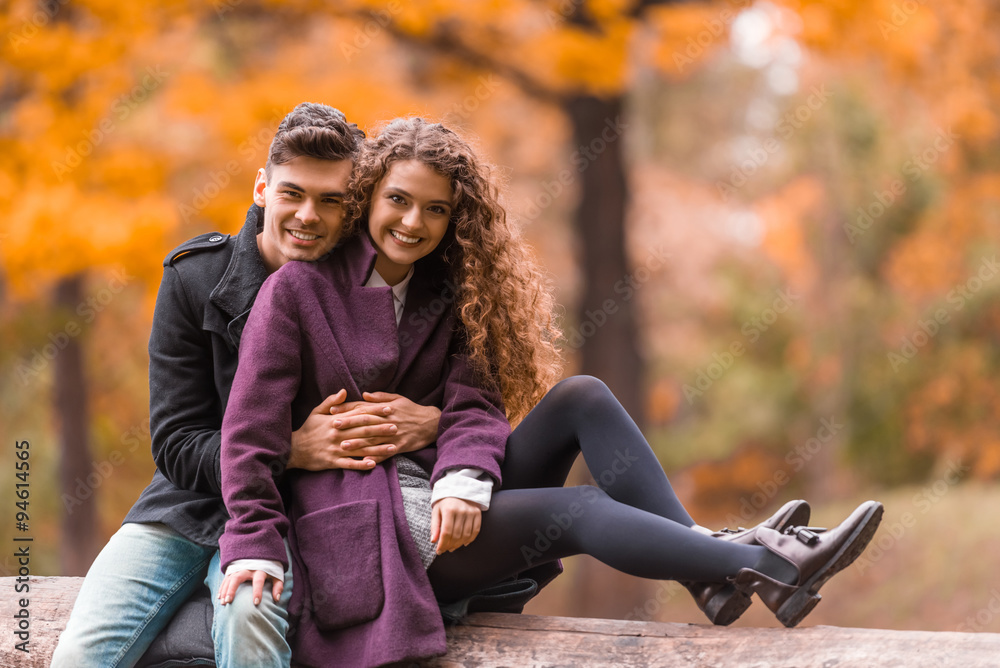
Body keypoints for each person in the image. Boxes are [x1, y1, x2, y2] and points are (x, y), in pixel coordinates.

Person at [217, 117, 884, 668]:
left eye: (437, 209)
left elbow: (475, 407)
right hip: (370, 531)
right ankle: (768, 562)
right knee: (582, 509)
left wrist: (461, 476)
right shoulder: (297, 292)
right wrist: (252, 542)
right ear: (368, 195)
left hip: (445, 499)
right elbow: (247, 437)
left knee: (582, 395)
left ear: (458, 218)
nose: (413, 222)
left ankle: (709, 572)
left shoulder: (449, 294)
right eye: (398, 200)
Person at [50, 103, 445, 668]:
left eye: (331, 200)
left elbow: (444, 394)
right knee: (81, 655)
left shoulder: (373, 283)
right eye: (293, 193)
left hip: (293, 515)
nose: (308, 215)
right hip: (185, 510)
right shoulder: (194, 278)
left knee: (249, 616)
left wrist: (435, 420)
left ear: (352, 208)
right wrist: (292, 449)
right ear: (262, 187)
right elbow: (175, 442)